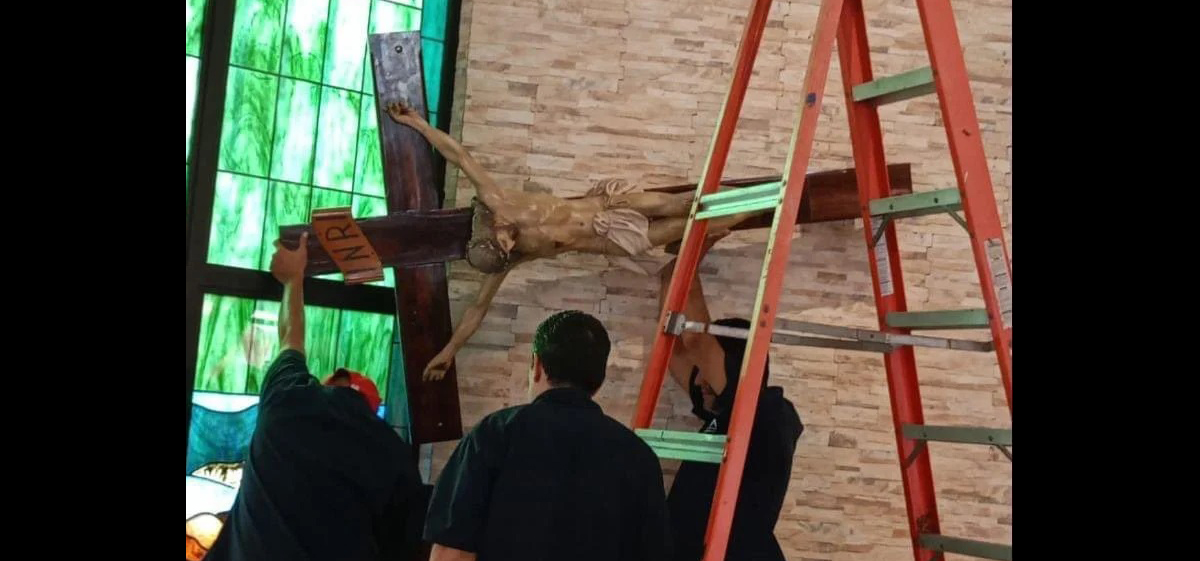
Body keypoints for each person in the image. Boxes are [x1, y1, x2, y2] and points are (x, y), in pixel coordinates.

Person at [384, 102, 761, 381]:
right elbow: (477, 308)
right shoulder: (514, 258)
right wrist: (450, 350)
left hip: (609, 205)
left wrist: (416, 122)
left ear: (493, 228)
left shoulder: (497, 199)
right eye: (506, 253)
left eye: (503, 243)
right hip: (612, 240)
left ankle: (760, 196)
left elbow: (459, 156)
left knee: (683, 204)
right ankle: (757, 208)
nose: (510, 248)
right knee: (691, 226)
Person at [206, 232, 427, 561]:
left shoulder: (289, 400)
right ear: (371, 410)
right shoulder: (394, 455)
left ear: (330, 382)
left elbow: (290, 338)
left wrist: (293, 279)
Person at [422, 310, 671, 561]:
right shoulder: (639, 457)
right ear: (600, 378)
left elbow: (450, 554)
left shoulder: (494, 434)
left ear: (537, 365)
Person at [660, 237, 804, 561]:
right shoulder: (722, 413)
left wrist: (697, 244)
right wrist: (673, 269)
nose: (699, 380)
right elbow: (675, 353)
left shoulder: (767, 415)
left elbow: (694, 339)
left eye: (707, 367)